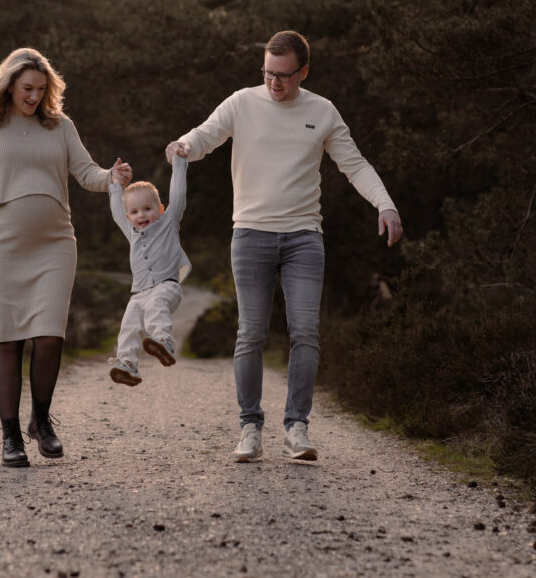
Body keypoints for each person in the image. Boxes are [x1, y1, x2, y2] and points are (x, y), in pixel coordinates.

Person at [166, 30, 402, 463]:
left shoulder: (323, 111)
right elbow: (205, 135)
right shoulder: (242, 102)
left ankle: (297, 427)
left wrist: (385, 205)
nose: (274, 84)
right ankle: (250, 428)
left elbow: (355, 164)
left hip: (304, 238)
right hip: (251, 235)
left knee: (305, 331)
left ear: (303, 72)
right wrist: (183, 145)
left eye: (284, 76)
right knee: (251, 333)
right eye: (268, 74)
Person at [0, 47, 132, 468]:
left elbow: (88, 174)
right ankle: (10, 437)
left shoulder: (60, 126)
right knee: (7, 337)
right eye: (27, 88)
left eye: (41, 90)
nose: (34, 97)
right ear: (8, 85)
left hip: (54, 244)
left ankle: (41, 421)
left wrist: (112, 177)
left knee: (49, 336)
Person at [106, 154, 191, 386]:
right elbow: (116, 211)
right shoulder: (132, 232)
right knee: (129, 325)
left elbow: (179, 195)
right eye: (134, 212)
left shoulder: (169, 222)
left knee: (156, 306)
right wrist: (114, 185)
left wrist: (180, 163)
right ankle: (128, 365)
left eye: (147, 208)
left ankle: (165, 342)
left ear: (160, 209)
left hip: (167, 285)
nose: (141, 215)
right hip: (140, 292)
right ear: (128, 217)